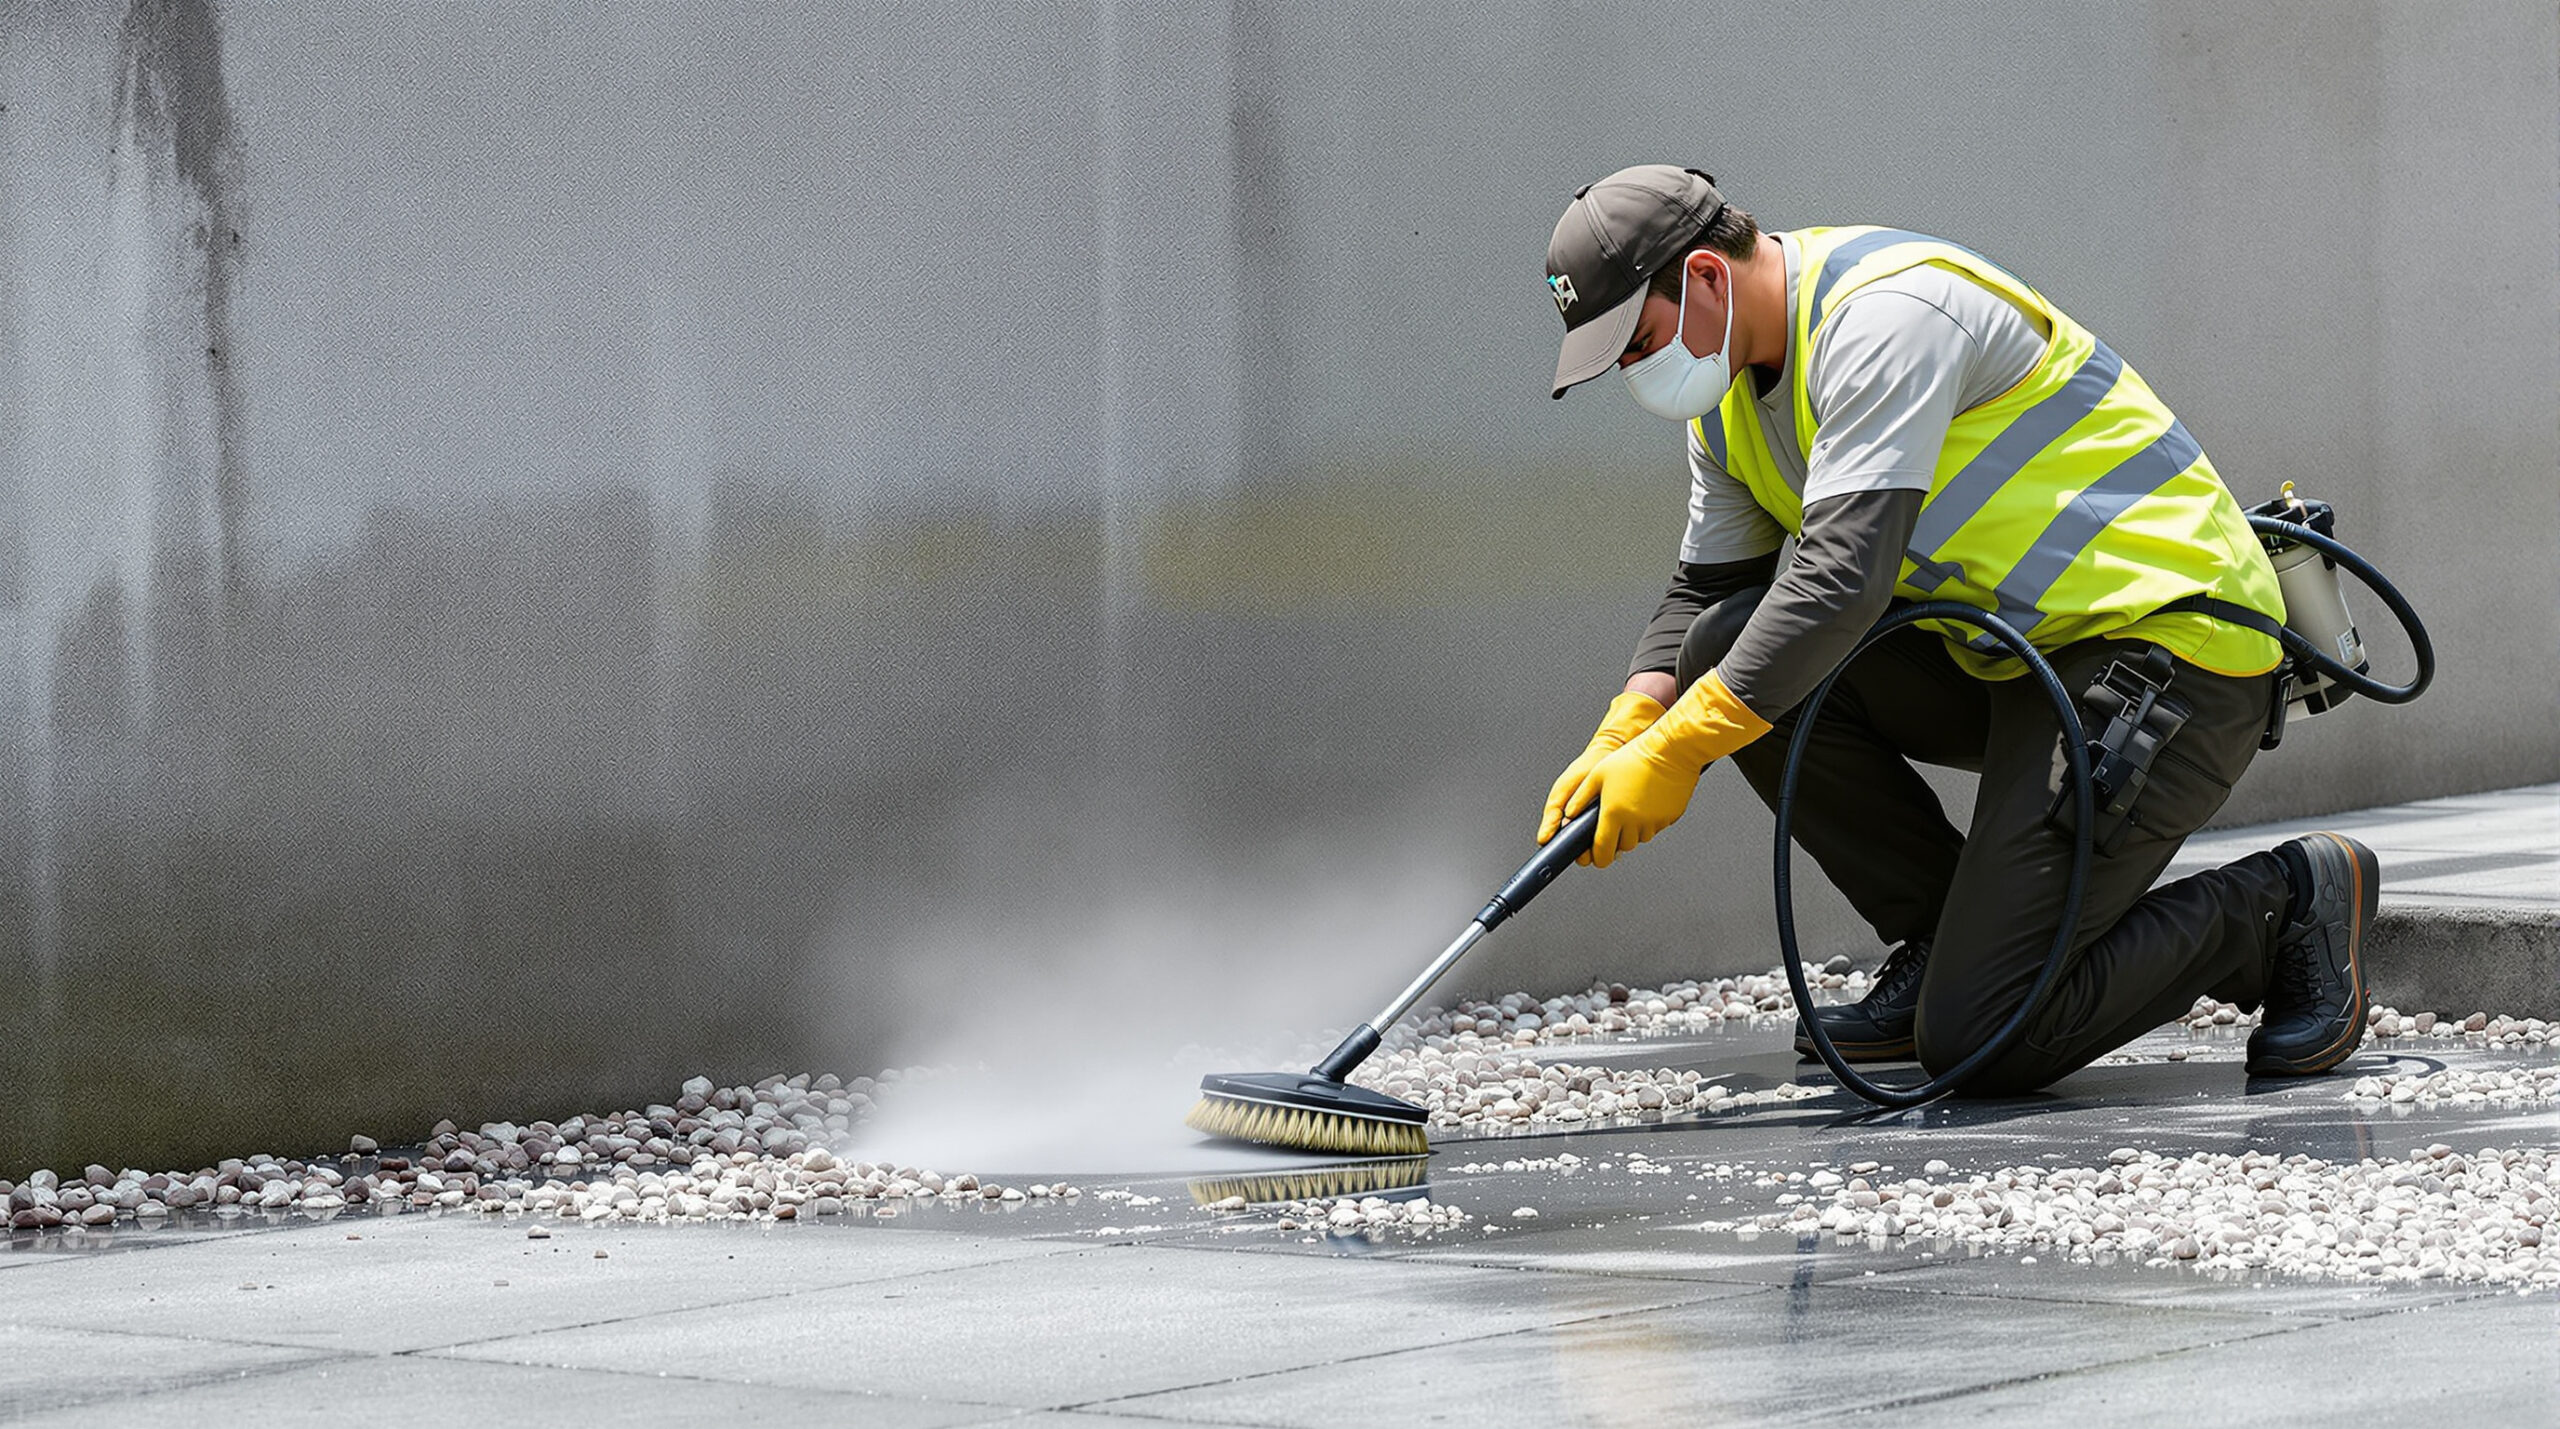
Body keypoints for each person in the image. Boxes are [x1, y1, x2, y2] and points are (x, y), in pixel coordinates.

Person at [1536, 164, 2375, 1092]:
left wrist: (1679, 749)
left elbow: (1839, 582)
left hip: (2169, 650)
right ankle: (1948, 940)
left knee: (1986, 1037)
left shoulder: (1885, 315)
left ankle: (2282, 904)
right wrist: (1630, 721)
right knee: (1717, 652)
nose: (1633, 370)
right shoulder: (1730, 402)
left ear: (1704, 276)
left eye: (1638, 340)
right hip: (2019, 663)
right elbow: (1705, 594)